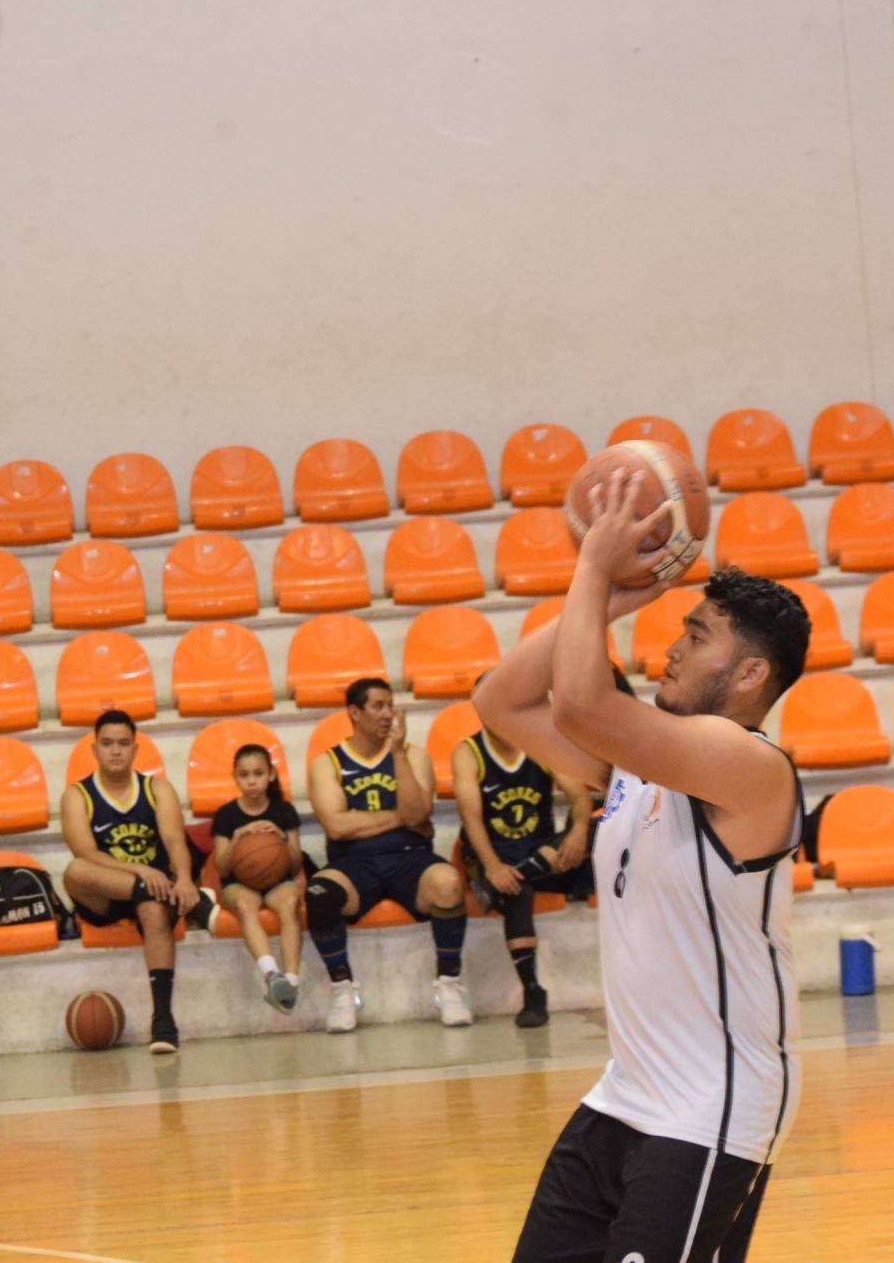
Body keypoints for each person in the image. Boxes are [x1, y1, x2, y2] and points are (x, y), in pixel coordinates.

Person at [473, 472, 810, 1263]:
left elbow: (578, 703)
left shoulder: (751, 765)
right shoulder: (636, 764)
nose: (673, 647)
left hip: (710, 1111)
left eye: (697, 636)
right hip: (625, 1096)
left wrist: (594, 567)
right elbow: (500, 702)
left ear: (750, 674)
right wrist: (610, 601)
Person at [305, 677, 472, 1033]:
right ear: (355, 712)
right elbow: (337, 826)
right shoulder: (327, 763)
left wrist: (396, 755)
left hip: (410, 856)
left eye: (390, 706)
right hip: (352, 862)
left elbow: (419, 812)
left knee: (448, 882)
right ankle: (343, 990)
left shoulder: (413, 755)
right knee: (319, 893)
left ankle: (448, 985)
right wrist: (400, 817)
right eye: (378, 706)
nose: (388, 714)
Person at [452, 673, 594, 1030]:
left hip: (543, 851)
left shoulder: (539, 743)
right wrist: (492, 866)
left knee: (602, 828)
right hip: (495, 854)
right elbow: (471, 820)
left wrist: (578, 831)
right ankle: (533, 991)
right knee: (516, 890)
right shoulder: (468, 753)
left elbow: (580, 797)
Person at [59, 710, 199, 1053]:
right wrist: (140, 872)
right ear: (95, 749)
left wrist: (184, 879)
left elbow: (175, 841)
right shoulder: (77, 794)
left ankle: (163, 1020)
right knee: (75, 871)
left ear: (135, 749)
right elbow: (85, 852)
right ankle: (157, 892)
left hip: (153, 895)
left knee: (153, 909)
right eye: (107, 744)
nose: (116, 751)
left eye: (123, 743)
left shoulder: (156, 789)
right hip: (109, 892)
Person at [209, 744, 304, 1012]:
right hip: (239, 883)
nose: (251, 781)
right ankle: (272, 975)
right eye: (244, 775)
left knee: (290, 904)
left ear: (271, 775)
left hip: (277, 881)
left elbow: (295, 866)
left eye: (258, 773)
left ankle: (291, 981)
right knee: (244, 906)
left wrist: (282, 838)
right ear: (235, 777)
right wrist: (237, 838)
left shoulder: (283, 811)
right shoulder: (226, 815)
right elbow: (223, 868)